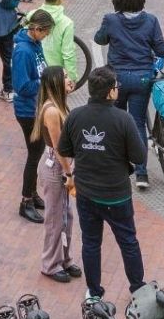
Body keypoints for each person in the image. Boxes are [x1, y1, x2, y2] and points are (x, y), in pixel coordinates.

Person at [57, 66, 149, 300]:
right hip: (116, 195)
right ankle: (138, 288)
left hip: (86, 193)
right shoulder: (124, 119)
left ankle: (94, 292)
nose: (118, 90)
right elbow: (139, 157)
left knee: (90, 243)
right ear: (109, 92)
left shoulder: (76, 116)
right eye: (116, 87)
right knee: (128, 241)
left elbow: (64, 149)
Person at [94, 0, 164, 189]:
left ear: (117, 1)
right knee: (137, 122)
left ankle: (116, 166)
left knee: (116, 121)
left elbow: (100, 39)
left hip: (117, 79)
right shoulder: (151, 21)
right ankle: (142, 173)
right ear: (141, 0)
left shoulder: (110, 20)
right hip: (142, 79)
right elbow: (161, 47)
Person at [31, 65, 81, 283]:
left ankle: (65, 259)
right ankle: (50, 264)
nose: (69, 79)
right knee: (55, 218)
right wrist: (69, 174)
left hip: (63, 166)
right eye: (65, 77)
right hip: (55, 168)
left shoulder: (61, 105)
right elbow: (60, 146)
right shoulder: (51, 110)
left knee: (66, 216)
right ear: (54, 82)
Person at [12, 9, 54, 224]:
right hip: (27, 110)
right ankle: (26, 201)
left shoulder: (35, 46)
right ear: (36, 29)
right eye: (45, 32)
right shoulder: (23, 52)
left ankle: (32, 194)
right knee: (34, 153)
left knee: (37, 153)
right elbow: (21, 85)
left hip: (36, 107)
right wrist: (45, 83)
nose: (46, 36)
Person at [34, 0, 83, 86]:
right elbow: (68, 54)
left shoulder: (33, 16)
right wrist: (71, 77)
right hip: (55, 74)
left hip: (36, 71)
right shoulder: (66, 23)